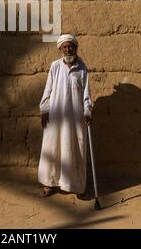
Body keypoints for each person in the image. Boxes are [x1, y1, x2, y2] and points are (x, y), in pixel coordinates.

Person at [38, 34, 92, 198]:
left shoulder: (82, 68)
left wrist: (88, 111)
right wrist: (44, 109)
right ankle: (50, 184)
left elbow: (86, 94)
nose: (68, 49)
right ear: (60, 49)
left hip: (76, 119)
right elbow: (48, 89)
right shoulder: (55, 66)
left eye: (71, 46)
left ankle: (76, 186)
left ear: (76, 48)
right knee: (52, 149)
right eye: (65, 47)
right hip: (56, 116)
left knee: (76, 150)